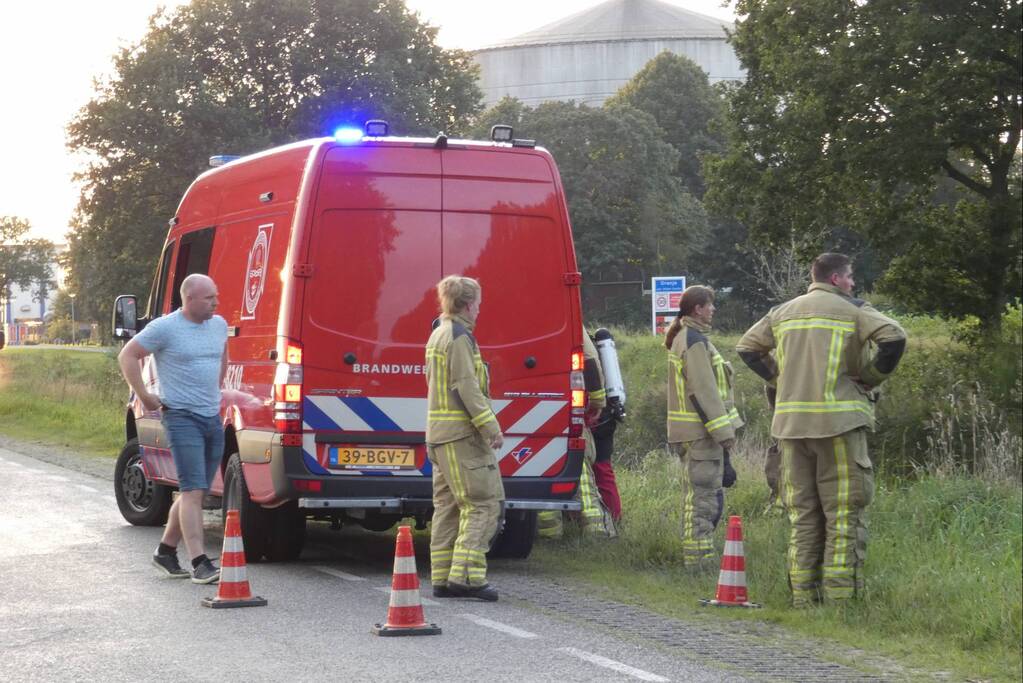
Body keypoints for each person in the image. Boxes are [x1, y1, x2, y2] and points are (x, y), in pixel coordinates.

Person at [736, 253, 907, 606]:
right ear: (834, 279)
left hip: (791, 429)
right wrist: (871, 378)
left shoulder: (782, 312)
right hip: (839, 426)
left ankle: (803, 598)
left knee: (803, 516)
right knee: (842, 513)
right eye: (849, 277)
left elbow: (747, 348)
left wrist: (778, 379)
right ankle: (841, 602)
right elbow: (895, 337)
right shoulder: (854, 309)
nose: (853, 284)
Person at [118, 273, 228, 584]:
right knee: (192, 490)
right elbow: (127, 355)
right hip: (180, 417)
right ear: (189, 298)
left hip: (210, 416)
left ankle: (165, 552)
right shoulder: (165, 327)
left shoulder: (218, 325)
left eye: (215, 296)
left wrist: (216, 391)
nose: (215, 302)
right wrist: (143, 395)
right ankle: (199, 562)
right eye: (209, 298)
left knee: (199, 489)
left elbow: (222, 356)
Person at [425, 275, 505, 602]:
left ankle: (442, 578)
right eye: (479, 304)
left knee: (447, 507)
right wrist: (491, 427)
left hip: (439, 437)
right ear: (469, 304)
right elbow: (467, 387)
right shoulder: (460, 338)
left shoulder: (438, 333)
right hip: (462, 436)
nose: (480, 310)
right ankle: (468, 577)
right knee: (483, 503)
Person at [665, 285, 742, 568]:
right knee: (703, 501)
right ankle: (699, 563)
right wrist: (725, 435)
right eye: (710, 305)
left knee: (701, 498)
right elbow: (704, 391)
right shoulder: (694, 340)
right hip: (702, 433)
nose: (714, 309)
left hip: (694, 432)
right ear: (697, 308)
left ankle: (698, 558)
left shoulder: (687, 337)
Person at [536, 326, 618, 540]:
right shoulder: (568, 320)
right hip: (565, 404)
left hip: (531, 405)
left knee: (544, 467)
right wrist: (598, 401)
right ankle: (597, 531)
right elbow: (589, 361)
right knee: (580, 468)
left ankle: (549, 534)